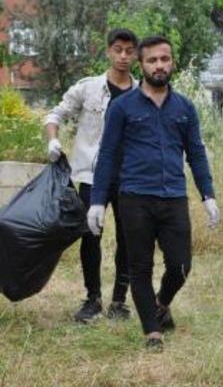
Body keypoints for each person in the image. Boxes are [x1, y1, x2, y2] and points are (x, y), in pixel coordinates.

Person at [87, 35, 221, 350]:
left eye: (164, 59)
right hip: (134, 197)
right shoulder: (122, 107)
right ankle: (152, 331)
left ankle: (161, 301)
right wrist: (96, 203)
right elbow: (107, 155)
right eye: (152, 60)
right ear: (141, 64)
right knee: (140, 267)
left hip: (173, 196)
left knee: (181, 266)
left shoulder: (185, 107)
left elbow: (196, 154)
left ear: (171, 61)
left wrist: (208, 195)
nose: (159, 65)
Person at [44, 28, 138, 323]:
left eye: (129, 51)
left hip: (129, 178)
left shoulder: (141, 93)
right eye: (118, 49)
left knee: (128, 238)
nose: (123, 56)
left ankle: (119, 301)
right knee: (90, 236)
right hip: (91, 176)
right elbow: (54, 115)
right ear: (108, 51)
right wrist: (53, 140)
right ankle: (92, 299)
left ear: (136, 54)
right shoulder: (88, 88)